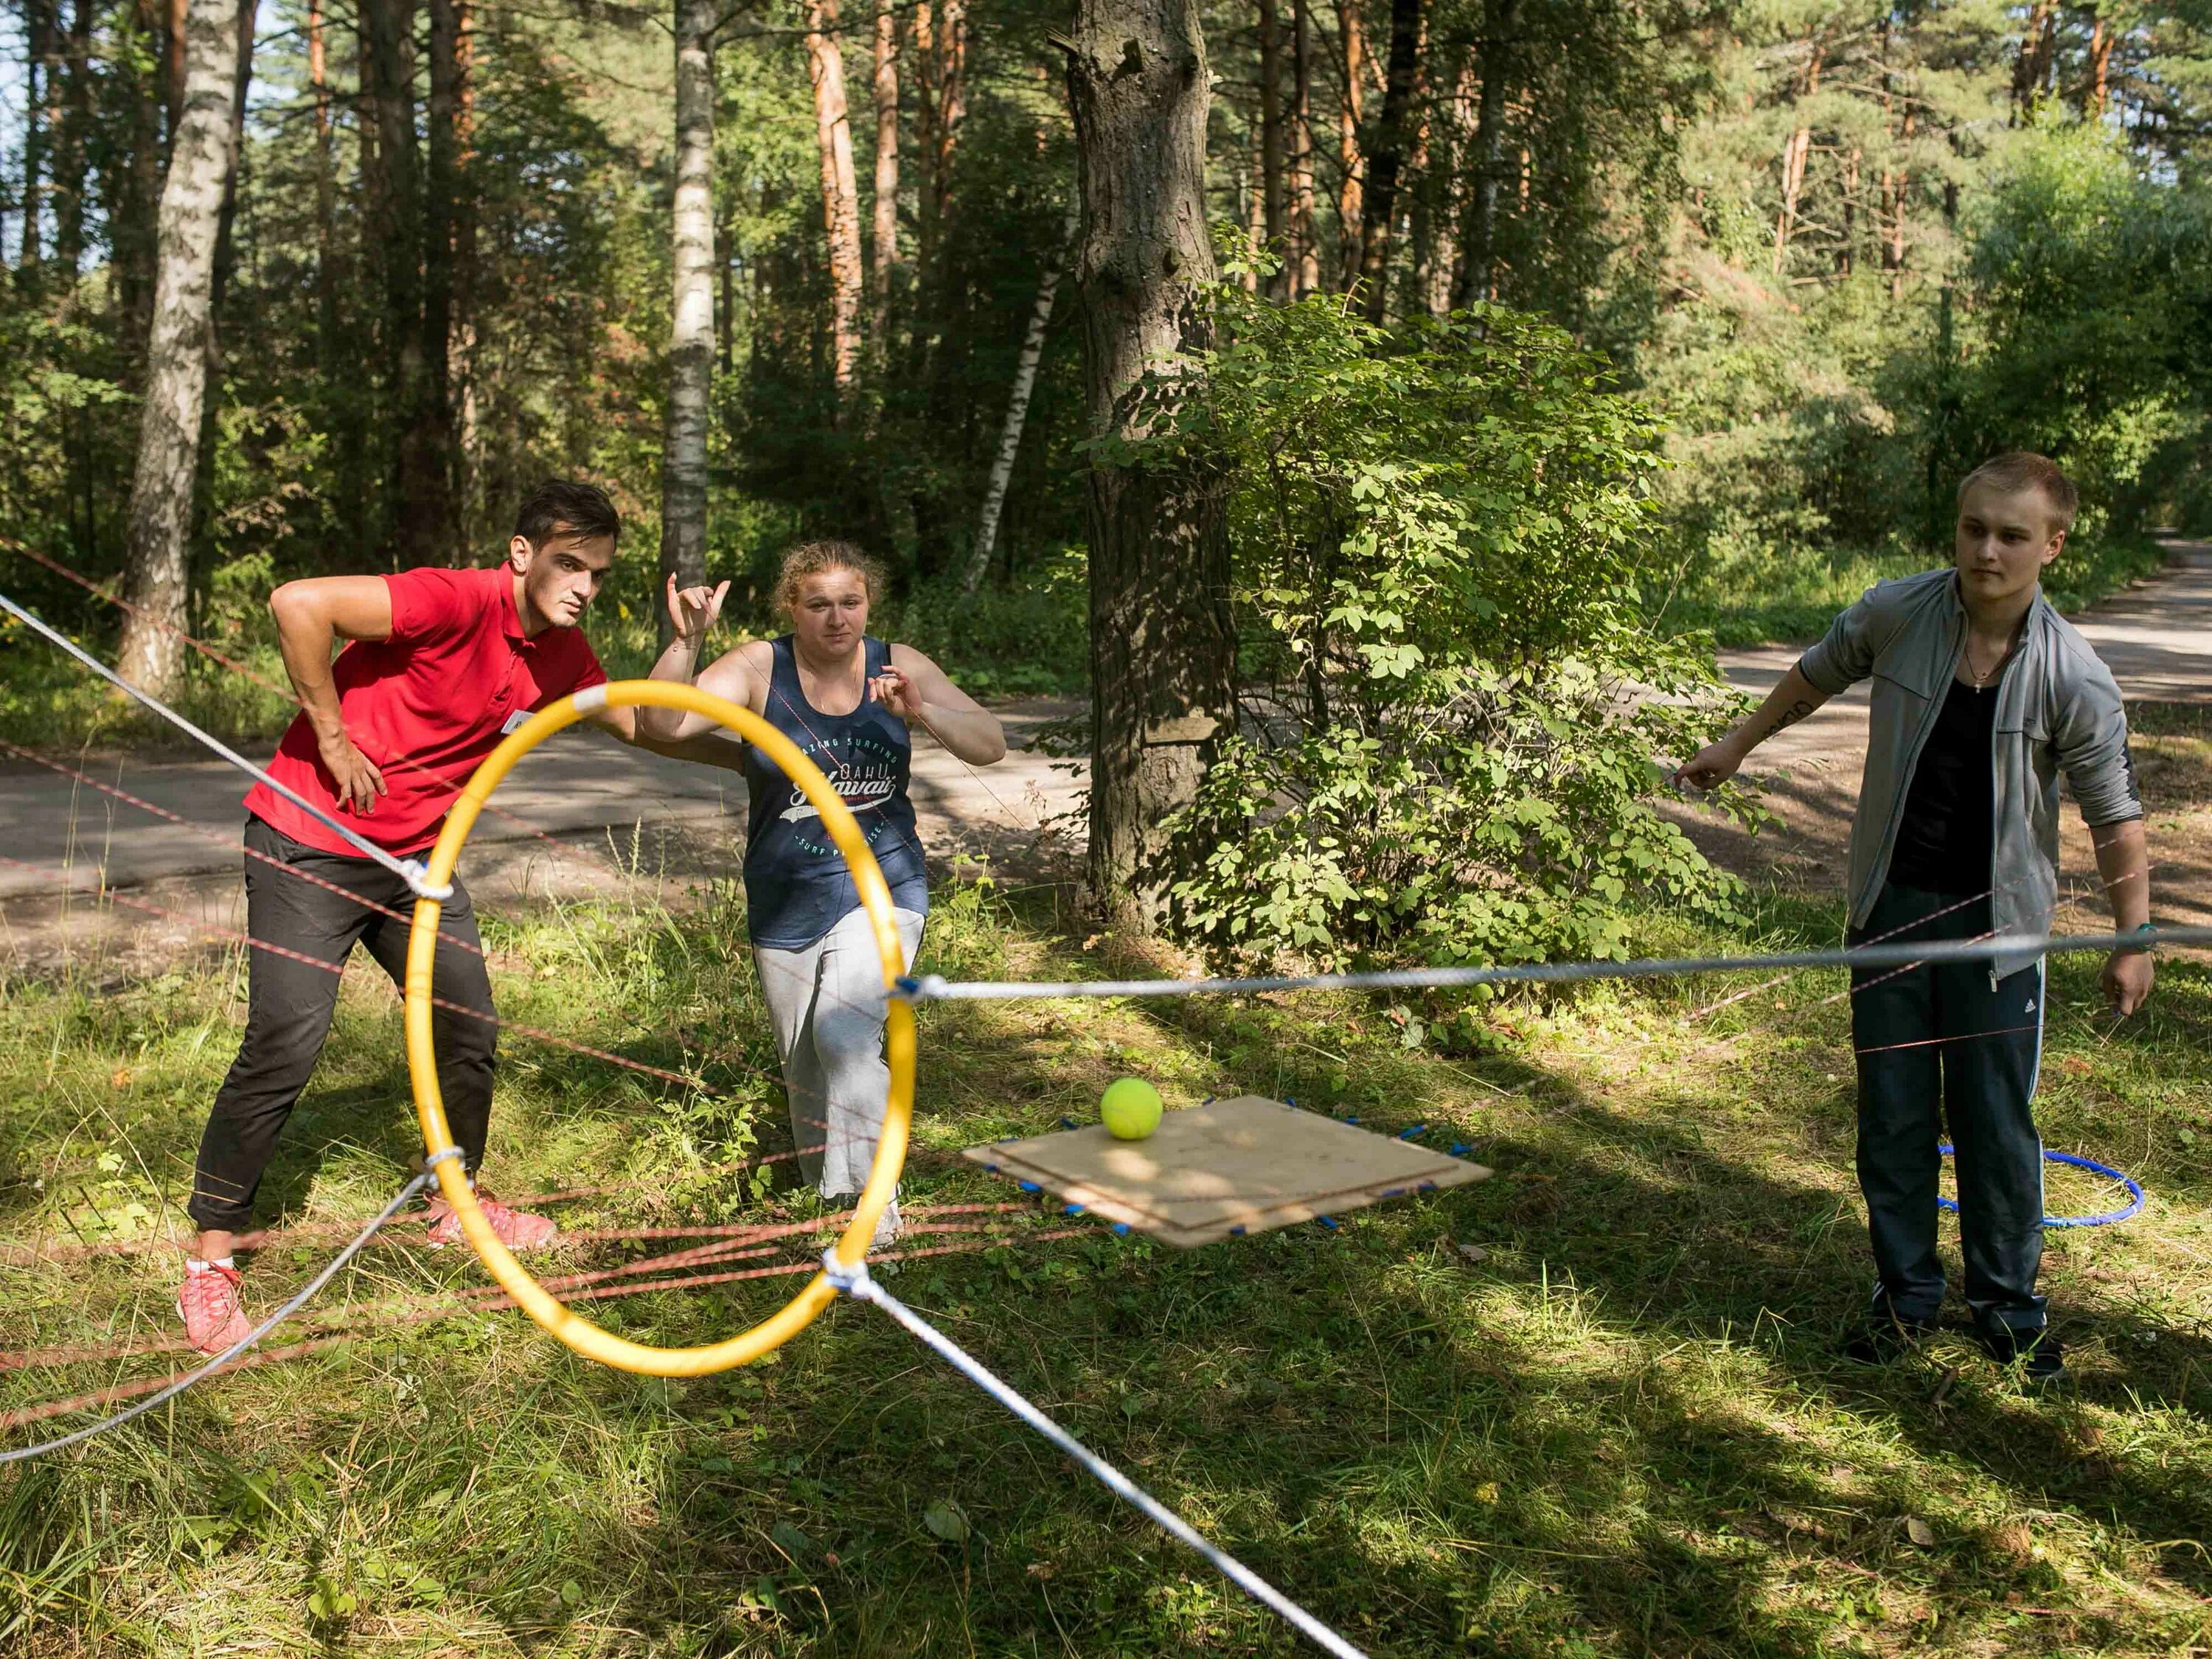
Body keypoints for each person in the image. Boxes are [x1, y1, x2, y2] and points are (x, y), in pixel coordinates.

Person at [178, 481, 747, 1353]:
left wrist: (720, 702)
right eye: (569, 564)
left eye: (596, 572)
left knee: (466, 1025)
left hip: (417, 865)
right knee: (287, 1039)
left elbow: (656, 724)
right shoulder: (453, 599)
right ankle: (212, 1260)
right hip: (309, 843)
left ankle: (454, 1204)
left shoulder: (563, 655)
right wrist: (330, 734)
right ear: (522, 554)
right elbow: (298, 603)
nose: (584, 585)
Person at [1677, 452, 2152, 1383]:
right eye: (1974, 527)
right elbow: (1813, 675)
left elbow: (2116, 818)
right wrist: (1736, 745)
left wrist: (2134, 941)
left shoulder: (2076, 677)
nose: (1988, 550)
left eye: (2013, 535)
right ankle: (1902, 1302)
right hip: (1892, 910)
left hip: (2001, 934)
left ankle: (2010, 1313)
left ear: (2052, 545)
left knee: (1992, 1124)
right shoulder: (1899, 612)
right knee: (1892, 1117)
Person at [641, 541, 1006, 1248]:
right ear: (792, 608)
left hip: (885, 885)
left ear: (868, 604)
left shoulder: (899, 663)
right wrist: (686, 643)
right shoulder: (758, 666)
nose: (838, 619)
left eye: (851, 602)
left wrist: (921, 708)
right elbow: (664, 723)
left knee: (845, 1036)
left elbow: (990, 744)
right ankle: (828, 1203)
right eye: (819, 604)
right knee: (806, 1061)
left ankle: (873, 1223)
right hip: (786, 893)